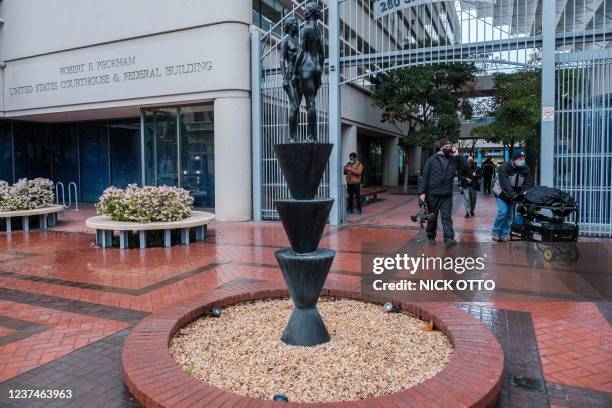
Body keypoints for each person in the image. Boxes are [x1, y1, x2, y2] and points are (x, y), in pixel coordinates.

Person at [419, 138, 470, 248]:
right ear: (441, 148)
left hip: (447, 194)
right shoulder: (432, 160)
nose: (448, 149)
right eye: (446, 147)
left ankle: (448, 239)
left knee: (446, 217)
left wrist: (458, 155)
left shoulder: (454, 159)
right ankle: (431, 236)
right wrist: (422, 192)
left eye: (450, 147)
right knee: (432, 217)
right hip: (433, 194)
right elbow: (425, 177)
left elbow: (467, 167)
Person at [492, 149, 534, 242]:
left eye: (523, 158)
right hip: (501, 192)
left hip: (514, 194)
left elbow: (528, 183)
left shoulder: (526, 169)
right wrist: (514, 196)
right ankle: (495, 231)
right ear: (514, 159)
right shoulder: (505, 167)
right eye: (520, 158)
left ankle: (503, 234)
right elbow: (505, 185)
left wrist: (525, 195)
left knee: (509, 215)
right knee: (503, 211)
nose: (522, 160)